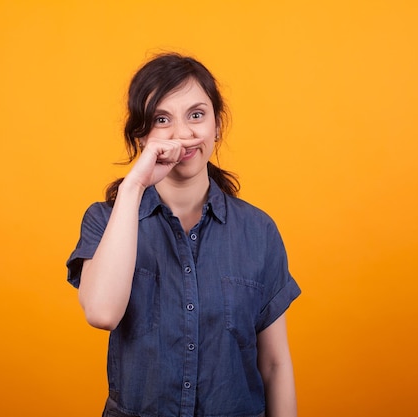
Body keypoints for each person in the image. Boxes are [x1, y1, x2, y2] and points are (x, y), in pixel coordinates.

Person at [66, 53, 301, 417]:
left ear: (217, 125)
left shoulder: (258, 230)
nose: (183, 134)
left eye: (196, 115)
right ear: (141, 135)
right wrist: (134, 187)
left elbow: (274, 365)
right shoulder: (105, 220)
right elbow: (102, 312)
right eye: (162, 119)